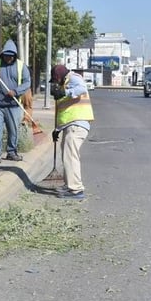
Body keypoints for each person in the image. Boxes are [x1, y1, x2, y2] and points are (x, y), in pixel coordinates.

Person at [0, 39, 31, 163]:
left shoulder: (21, 66)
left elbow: (27, 82)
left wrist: (16, 91)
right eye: (6, 55)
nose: (8, 58)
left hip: (13, 105)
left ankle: (12, 152)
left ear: (15, 55)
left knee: (13, 130)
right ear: (2, 54)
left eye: (11, 56)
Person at [50, 64, 94, 200]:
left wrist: (65, 92)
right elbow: (64, 110)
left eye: (55, 80)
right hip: (70, 126)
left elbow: (82, 88)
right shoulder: (65, 83)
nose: (55, 84)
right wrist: (57, 129)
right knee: (67, 156)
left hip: (77, 125)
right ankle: (69, 185)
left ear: (59, 76)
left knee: (70, 157)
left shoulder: (73, 78)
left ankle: (76, 190)